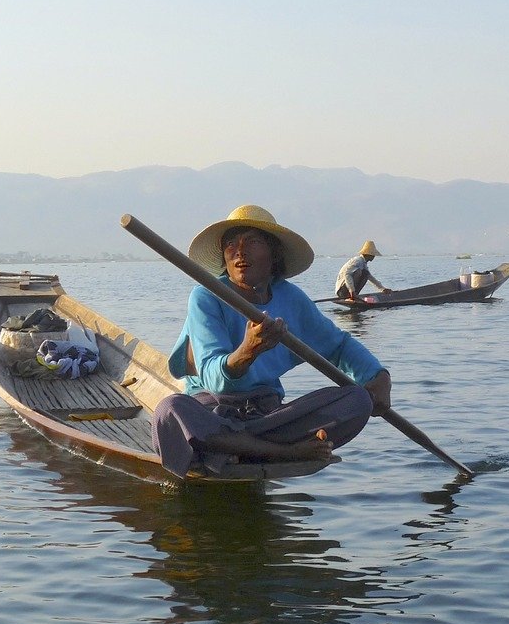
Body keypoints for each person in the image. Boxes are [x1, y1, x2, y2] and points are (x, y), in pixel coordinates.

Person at [152, 204, 392, 478]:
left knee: (357, 400)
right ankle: (283, 451)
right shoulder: (206, 297)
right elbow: (213, 378)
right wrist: (247, 351)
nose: (239, 251)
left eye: (252, 242)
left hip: (266, 417)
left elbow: (337, 346)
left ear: (273, 255)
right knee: (170, 410)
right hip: (213, 412)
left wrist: (379, 376)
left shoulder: (291, 299)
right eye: (231, 244)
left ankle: (237, 448)